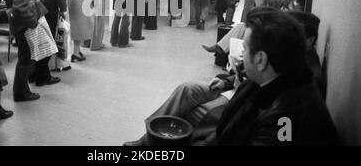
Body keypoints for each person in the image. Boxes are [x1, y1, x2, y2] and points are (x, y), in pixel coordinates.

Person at [125, 10, 339, 146]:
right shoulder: (280, 75)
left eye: (244, 49)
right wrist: (229, 80)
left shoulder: (287, 119)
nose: (239, 55)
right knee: (188, 89)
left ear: (261, 60)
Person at [4, 0, 44, 102]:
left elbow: (17, 3)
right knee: (25, 59)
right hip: (24, 25)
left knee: (24, 58)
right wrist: (33, 23)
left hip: (17, 24)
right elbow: (20, 7)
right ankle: (21, 92)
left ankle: (22, 89)